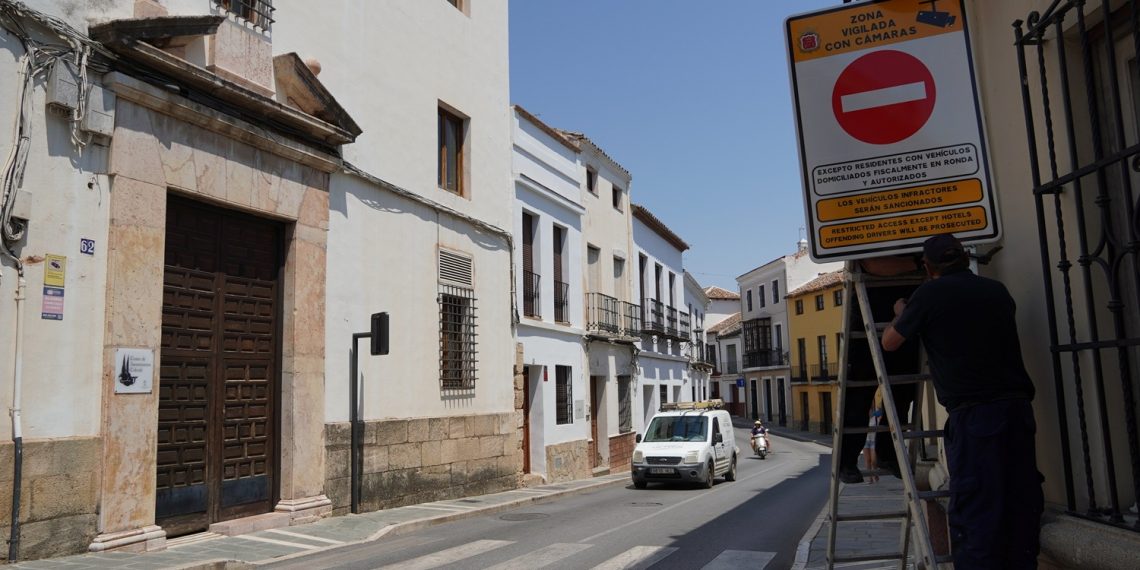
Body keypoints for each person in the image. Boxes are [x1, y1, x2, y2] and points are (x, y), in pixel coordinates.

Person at [881, 233, 1043, 569]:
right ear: (964, 258)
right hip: (1017, 411)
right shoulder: (997, 291)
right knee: (1020, 502)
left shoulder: (929, 294)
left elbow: (890, 342)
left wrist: (902, 311)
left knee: (977, 512)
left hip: (975, 417)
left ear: (928, 267)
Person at [863, 406, 882, 483]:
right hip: (865, 440)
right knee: (868, 460)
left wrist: (879, 411)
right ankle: (869, 477)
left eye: (870, 410)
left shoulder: (875, 418)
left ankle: (875, 473)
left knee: (874, 461)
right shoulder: (863, 419)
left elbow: (881, 414)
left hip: (874, 440)